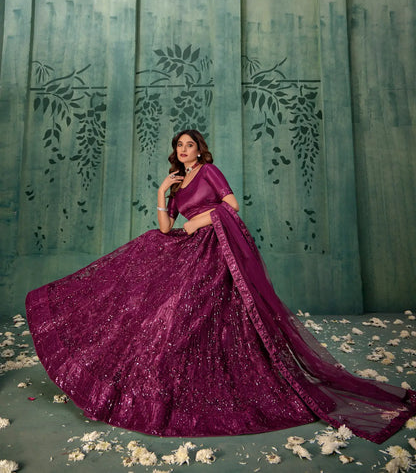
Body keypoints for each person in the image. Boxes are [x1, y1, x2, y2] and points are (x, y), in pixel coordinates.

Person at [26, 129, 416, 442]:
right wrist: (162, 192)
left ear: (200, 150)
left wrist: (200, 220)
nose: (183, 150)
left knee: (211, 312)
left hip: (217, 247)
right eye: (179, 145)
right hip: (188, 250)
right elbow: (165, 227)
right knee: (166, 304)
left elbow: (232, 206)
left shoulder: (209, 172)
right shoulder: (177, 184)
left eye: (189, 144)